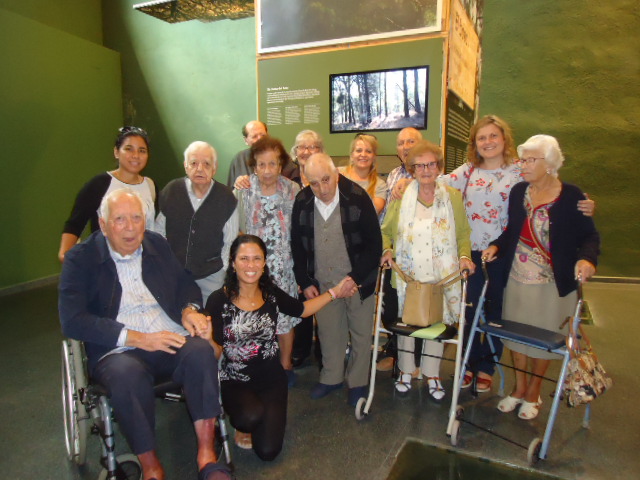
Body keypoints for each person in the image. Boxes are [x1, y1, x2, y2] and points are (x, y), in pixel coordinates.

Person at [391, 115, 594, 393]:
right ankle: (468, 364)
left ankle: (487, 367)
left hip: (507, 255)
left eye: (493, 136)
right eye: (481, 137)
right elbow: (434, 179)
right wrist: (405, 183)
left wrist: (586, 204)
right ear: (475, 143)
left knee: (498, 313)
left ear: (504, 139)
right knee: (468, 311)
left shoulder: (520, 171)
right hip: (471, 254)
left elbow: (551, 189)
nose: (488, 142)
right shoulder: (468, 171)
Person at [59, 188, 231, 480]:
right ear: (103, 224)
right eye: (120, 219)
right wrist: (138, 338)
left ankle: (207, 456)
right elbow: (73, 320)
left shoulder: (156, 244)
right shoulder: (81, 258)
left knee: (201, 352)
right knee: (127, 376)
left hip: (168, 336)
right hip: (118, 349)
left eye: (136, 218)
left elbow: (185, 284)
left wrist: (189, 310)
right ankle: (151, 467)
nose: (130, 227)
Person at [204, 235, 355, 460]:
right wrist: (207, 339)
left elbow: (302, 310)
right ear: (233, 263)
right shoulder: (219, 300)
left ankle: (262, 415)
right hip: (236, 380)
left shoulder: (270, 293)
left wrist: (335, 292)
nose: (251, 265)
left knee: (268, 451)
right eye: (244, 258)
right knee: (248, 417)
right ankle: (243, 422)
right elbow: (216, 350)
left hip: (271, 379)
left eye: (257, 258)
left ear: (264, 263)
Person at [482, 134, 599, 420]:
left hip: (552, 283)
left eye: (530, 160)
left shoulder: (572, 196)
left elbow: (589, 236)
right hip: (517, 277)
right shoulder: (518, 191)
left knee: (543, 338)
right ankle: (519, 387)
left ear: (549, 164)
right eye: (522, 160)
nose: (523, 165)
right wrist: (496, 245)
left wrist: (587, 259)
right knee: (516, 337)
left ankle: (534, 391)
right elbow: (511, 231)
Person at [380, 140, 474, 401]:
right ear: (412, 169)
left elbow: (463, 234)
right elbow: (386, 232)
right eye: (419, 165)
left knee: (436, 323)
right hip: (408, 276)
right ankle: (406, 370)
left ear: (439, 167)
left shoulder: (452, 197)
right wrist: (387, 250)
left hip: (441, 276)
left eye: (431, 164)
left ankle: (432, 373)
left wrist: (464, 257)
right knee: (406, 321)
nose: (425, 170)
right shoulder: (401, 196)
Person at [291, 153, 382, 406]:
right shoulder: (302, 201)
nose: (322, 189)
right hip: (323, 282)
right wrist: (305, 281)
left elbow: (374, 245)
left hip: (358, 280)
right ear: (306, 181)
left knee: (361, 333)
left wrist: (355, 277)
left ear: (337, 174)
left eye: (326, 180)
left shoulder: (357, 197)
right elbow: (297, 244)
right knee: (329, 332)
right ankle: (331, 378)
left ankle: (358, 382)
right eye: (314, 183)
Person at [234, 136, 301, 386]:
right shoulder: (244, 189)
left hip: (284, 268)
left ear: (281, 164)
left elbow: (300, 231)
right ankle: (256, 365)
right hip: (253, 269)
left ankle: (285, 366)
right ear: (254, 166)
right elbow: (237, 229)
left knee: (284, 320)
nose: (267, 170)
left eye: (272, 164)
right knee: (254, 317)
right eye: (261, 164)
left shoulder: (292, 190)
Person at [58, 126, 156, 262]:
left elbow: (152, 228)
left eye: (142, 150)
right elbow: (75, 224)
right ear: (116, 152)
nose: (136, 155)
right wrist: (65, 256)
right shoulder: (99, 184)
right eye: (129, 149)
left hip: (143, 263)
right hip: (105, 264)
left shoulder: (150, 185)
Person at [156, 141, 238, 302]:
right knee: (176, 313)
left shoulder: (227, 198)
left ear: (214, 168)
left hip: (211, 275)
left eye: (206, 164)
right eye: (194, 163)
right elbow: (158, 232)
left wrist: (222, 272)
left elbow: (230, 242)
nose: (199, 169)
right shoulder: (171, 190)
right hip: (174, 272)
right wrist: (165, 264)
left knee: (210, 314)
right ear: (185, 166)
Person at [376, 127, 424, 372]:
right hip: (393, 252)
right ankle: (396, 349)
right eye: (401, 143)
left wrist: (413, 182)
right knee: (391, 307)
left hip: (421, 255)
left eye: (411, 141)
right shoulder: (393, 174)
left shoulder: (431, 173)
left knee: (416, 308)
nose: (405, 147)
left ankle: (415, 359)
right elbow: (386, 214)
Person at [338, 133, 388, 215]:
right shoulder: (337, 174)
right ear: (352, 155)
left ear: (374, 157)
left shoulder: (380, 185)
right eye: (359, 150)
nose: (363, 155)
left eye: (368, 151)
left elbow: (372, 213)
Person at [226, 120, 268, 187]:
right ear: (246, 140)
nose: (260, 139)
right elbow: (230, 190)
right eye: (254, 136)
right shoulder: (239, 159)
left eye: (263, 135)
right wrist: (238, 184)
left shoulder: (280, 156)